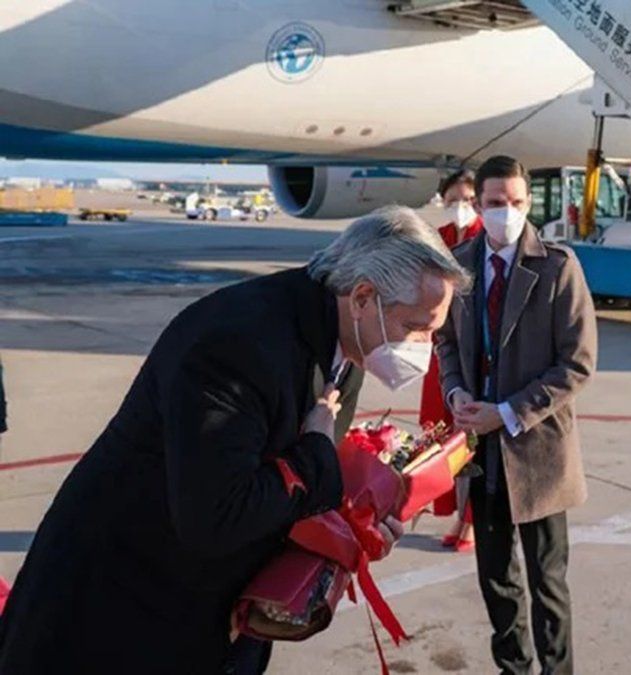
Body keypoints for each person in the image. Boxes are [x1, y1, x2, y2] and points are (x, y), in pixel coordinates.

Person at [0, 206, 471, 674]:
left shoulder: (338, 332)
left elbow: (294, 480)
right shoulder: (238, 343)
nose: (422, 347)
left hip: (208, 615)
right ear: (363, 296)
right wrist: (316, 461)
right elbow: (217, 515)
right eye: (416, 327)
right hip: (116, 618)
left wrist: (354, 523)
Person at [437, 155, 597, 675]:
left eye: (516, 203)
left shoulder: (556, 266)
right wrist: (456, 390)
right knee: (496, 582)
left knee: (547, 584)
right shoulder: (459, 264)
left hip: (538, 451)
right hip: (482, 453)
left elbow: (577, 364)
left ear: (529, 203)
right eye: (495, 203)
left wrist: (506, 412)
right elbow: (445, 342)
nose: (506, 212)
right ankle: (514, 669)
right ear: (477, 205)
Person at [421, 169, 485, 553]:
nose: (460, 207)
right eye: (453, 199)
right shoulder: (439, 239)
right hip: (440, 345)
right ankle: (454, 507)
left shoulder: (483, 238)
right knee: (440, 432)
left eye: (468, 199)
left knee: (470, 436)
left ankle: (471, 518)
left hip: (472, 346)